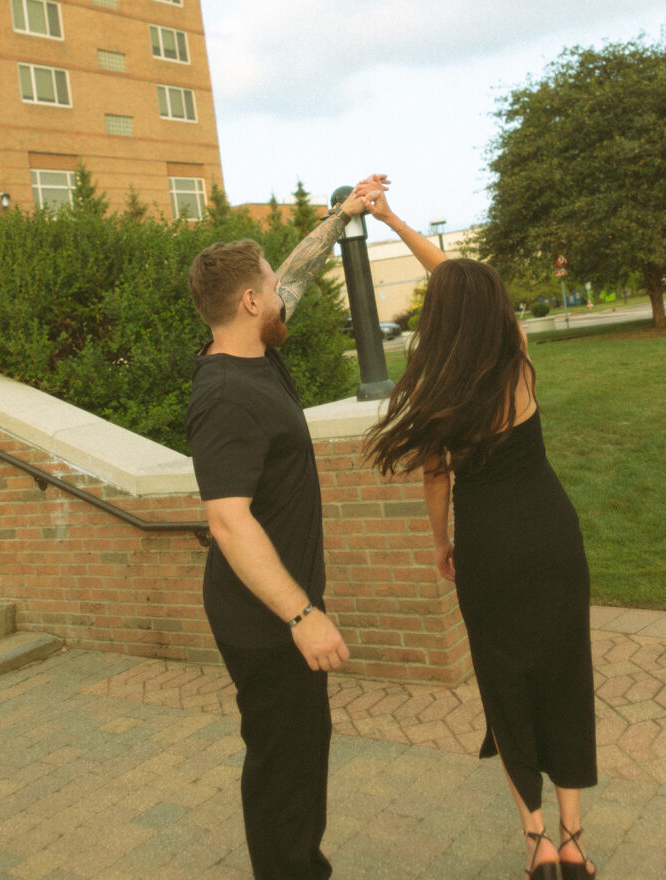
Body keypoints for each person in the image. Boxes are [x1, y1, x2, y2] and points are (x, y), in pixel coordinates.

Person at [361, 178, 597, 880]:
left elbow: (437, 481)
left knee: (505, 680)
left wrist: (442, 544)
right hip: (551, 534)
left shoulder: (436, 392)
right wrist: (397, 220)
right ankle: (575, 838)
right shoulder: (514, 357)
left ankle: (535, 843)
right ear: (494, 311)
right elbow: (467, 283)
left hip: (487, 544)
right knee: (564, 672)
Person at [185, 179, 375, 880]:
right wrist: (301, 615)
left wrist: (340, 215)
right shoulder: (228, 396)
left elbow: (295, 274)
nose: (279, 291)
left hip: (275, 610)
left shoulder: (253, 351)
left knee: (297, 754)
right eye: (266, 285)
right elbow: (227, 521)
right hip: (265, 618)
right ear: (247, 302)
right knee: (284, 770)